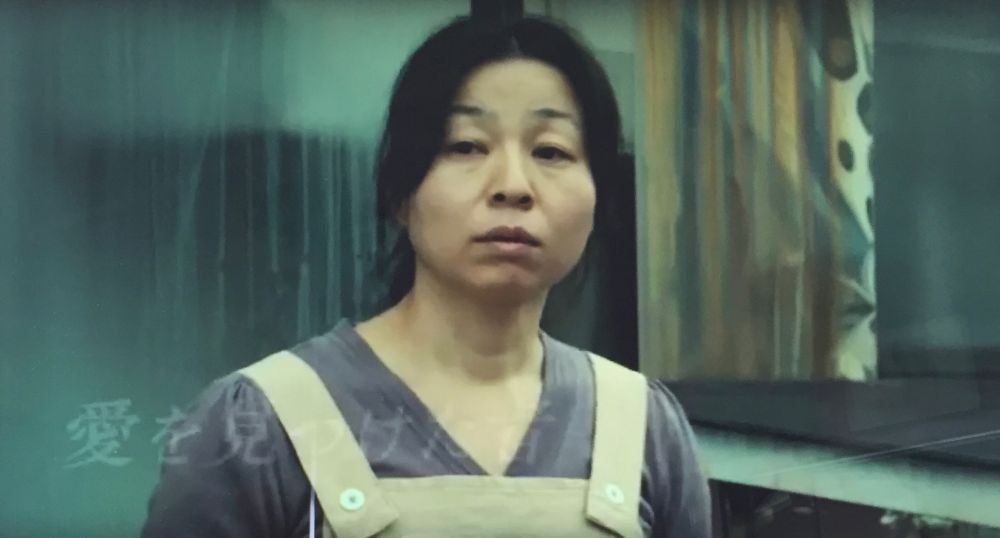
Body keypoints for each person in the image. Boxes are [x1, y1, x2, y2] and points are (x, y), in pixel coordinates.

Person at [141, 14, 711, 538]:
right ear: (399, 192)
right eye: (466, 146)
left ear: (598, 197)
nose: (513, 186)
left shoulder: (643, 425)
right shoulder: (256, 420)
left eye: (552, 151)